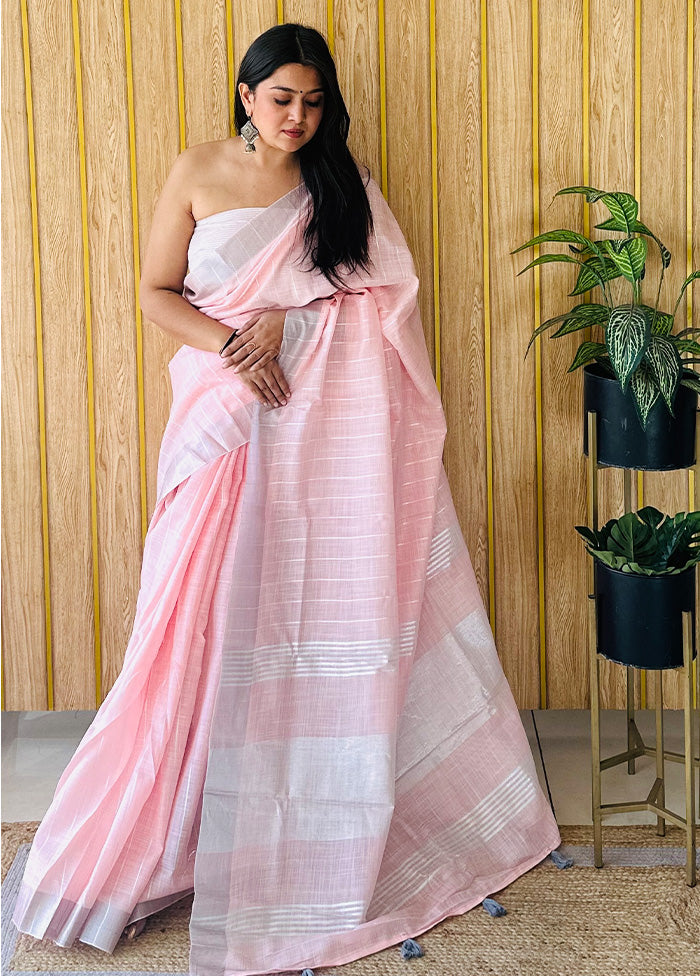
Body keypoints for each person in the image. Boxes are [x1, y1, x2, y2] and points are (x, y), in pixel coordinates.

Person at [12, 24, 560, 976]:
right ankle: (163, 837)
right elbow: (154, 291)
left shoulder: (341, 188)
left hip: (313, 434)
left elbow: (378, 298)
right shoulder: (197, 170)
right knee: (193, 624)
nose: (298, 117)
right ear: (246, 93)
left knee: (297, 621)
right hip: (222, 422)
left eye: (312, 102)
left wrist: (283, 317)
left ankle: (300, 838)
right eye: (281, 100)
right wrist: (237, 344)